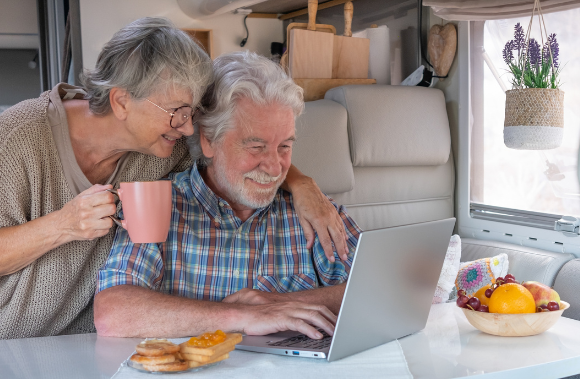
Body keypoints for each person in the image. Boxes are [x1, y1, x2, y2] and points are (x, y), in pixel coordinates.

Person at [0, 18, 349, 340]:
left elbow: (244, 152)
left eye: (192, 113)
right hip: (10, 342)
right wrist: (65, 224)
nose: (187, 128)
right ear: (122, 102)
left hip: (84, 346)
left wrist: (302, 183)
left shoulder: (163, 146)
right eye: (177, 113)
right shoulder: (17, 139)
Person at [94, 51, 363, 339]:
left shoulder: (314, 211)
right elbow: (113, 314)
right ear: (209, 141)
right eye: (256, 147)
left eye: (284, 146)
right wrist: (244, 317)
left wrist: (279, 304)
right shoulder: (159, 206)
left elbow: (388, 287)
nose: (274, 167)